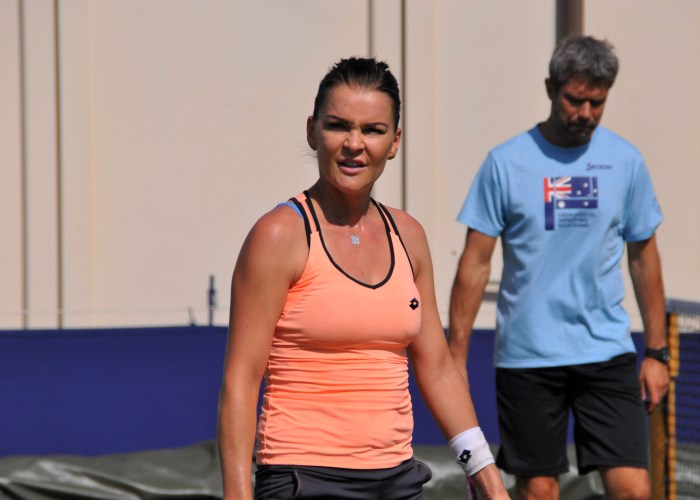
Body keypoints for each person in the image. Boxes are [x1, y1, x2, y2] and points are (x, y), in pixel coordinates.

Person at [217, 57, 509, 500]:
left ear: (394, 142)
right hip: (302, 480)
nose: (354, 144)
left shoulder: (409, 236)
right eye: (338, 126)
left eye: (373, 130)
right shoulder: (279, 234)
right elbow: (241, 380)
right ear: (312, 131)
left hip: (398, 480)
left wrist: (489, 480)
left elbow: (438, 370)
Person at [448, 35, 668, 500]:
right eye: (574, 100)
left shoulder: (626, 161)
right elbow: (474, 264)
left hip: (606, 351)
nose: (585, 113)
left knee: (633, 489)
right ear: (551, 89)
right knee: (538, 491)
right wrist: (456, 359)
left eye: (597, 102)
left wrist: (656, 353)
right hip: (527, 356)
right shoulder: (505, 163)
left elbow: (643, 257)